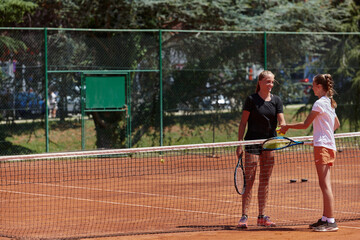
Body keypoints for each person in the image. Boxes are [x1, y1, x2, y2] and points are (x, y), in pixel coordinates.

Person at [280, 74, 340, 232]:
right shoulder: (329, 103)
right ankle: (326, 218)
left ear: (319, 86)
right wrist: (322, 135)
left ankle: (331, 222)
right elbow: (336, 124)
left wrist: (287, 127)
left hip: (323, 147)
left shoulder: (319, 103)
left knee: (325, 184)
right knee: (324, 184)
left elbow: (306, 124)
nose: (312, 88)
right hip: (327, 145)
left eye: (313, 85)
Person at [236, 70, 286, 228]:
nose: (270, 84)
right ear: (260, 82)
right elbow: (243, 123)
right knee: (249, 180)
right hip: (252, 142)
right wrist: (239, 143)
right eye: (267, 81)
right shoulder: (251, 100)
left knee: (265, 180)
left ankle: (261, 216)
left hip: (269, 144)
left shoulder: (277, 100)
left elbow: (282, 121)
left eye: (272, 82)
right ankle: (244, 216)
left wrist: (284, 128)